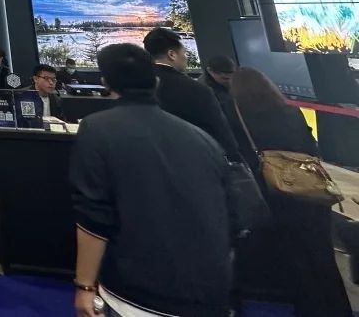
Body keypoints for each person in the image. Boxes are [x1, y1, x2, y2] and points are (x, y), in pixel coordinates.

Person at [71, 43, 232, 317]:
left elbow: (94, 214)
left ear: (105, 83)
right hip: (210, 291)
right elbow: (231, 216)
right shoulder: (203, 139)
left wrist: (85, 285)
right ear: (155, 82)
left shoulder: (97, 129)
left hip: (136, 293)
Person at [230, 67, 351, 316]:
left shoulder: (240, 118)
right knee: (323, 259)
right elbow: (311, 147)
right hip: (311, 192)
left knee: (297, 263)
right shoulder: (290, 111)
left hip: (277, 195)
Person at [143, 28, 240, 160]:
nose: (186, 57)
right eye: (184, 52)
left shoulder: (136, 86)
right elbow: (222, 135)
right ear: (172, 54)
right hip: (197, 160)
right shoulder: (196, 89)